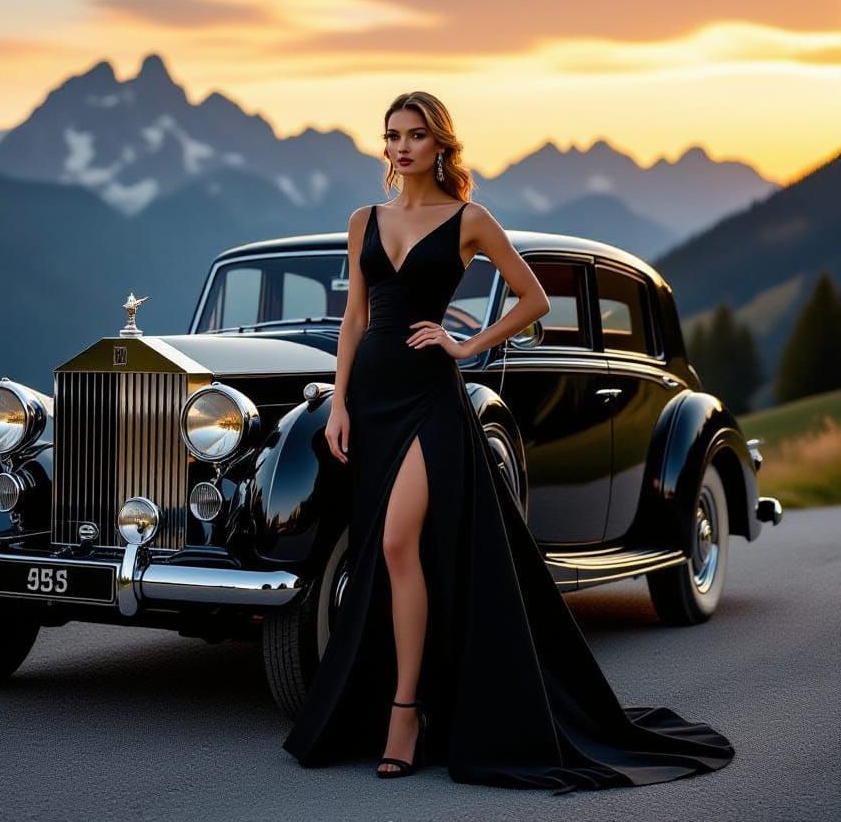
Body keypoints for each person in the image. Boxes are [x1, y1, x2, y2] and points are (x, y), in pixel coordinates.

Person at [280, 91, 736, 793]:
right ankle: (406, 701)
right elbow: (353, 320)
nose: (402, 147)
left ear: (440, 145)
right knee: (393, 552)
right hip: (371, 399)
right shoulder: (363, 220)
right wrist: (338, 402)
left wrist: (466, 345)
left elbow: (534, 300)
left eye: (416, 135)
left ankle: (406, 713)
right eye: (393, 135)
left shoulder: (469, 220)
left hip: (431, 398)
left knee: (400, 544)